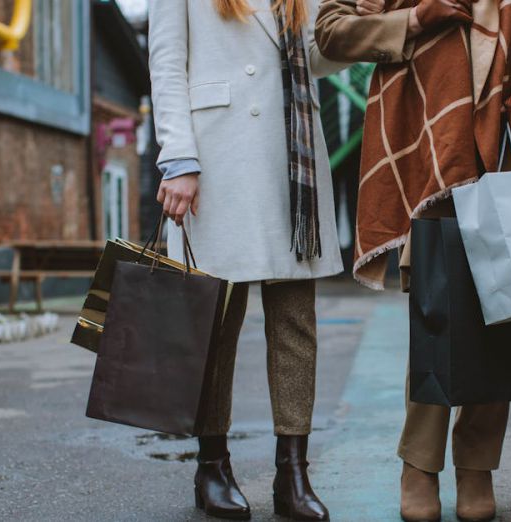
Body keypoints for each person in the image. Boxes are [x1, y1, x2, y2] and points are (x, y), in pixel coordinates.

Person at [315, 1, 511, 520]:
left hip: (506, 130)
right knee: (437, 307)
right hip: (424, 136)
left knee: (506, 307)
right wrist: (414, 19)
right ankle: (420, 464)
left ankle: (477, 465)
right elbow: (331, 32)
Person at [148, 1, 346, 520]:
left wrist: (355, 29)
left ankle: (293, 473)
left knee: (296, 323)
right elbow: (166, 62)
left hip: (290, 156)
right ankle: (212, 466)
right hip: (217, 158)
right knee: (215, 324)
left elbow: (315, 55)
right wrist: (178, 158)